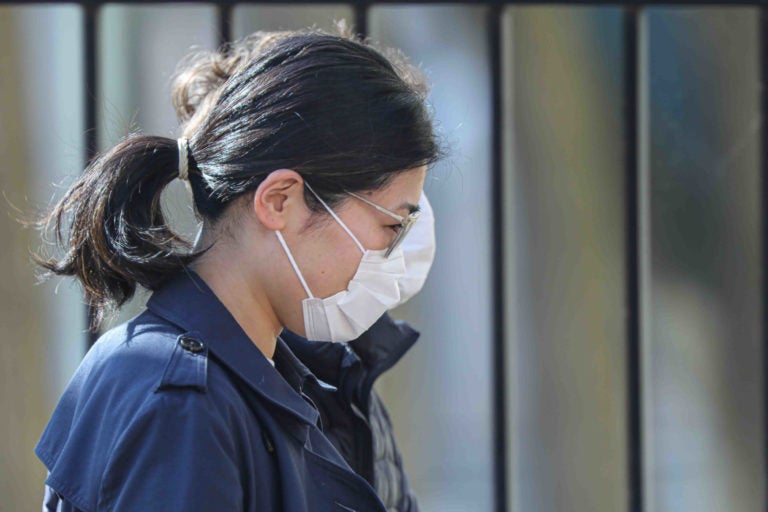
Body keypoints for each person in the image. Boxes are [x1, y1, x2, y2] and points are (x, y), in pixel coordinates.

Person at [32, 21, 444, 512]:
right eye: (390, 228)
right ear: (280, 201)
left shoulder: (275, 382)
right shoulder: (180, 402)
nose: (394, 260)